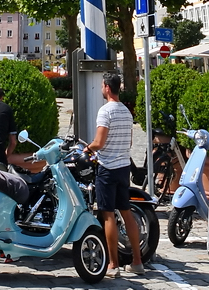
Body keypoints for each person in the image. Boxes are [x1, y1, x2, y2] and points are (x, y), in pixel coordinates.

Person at [84, 73, 144, 278]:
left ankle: (113, 264)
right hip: (123, 167)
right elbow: (129, 143)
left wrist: (88, 149)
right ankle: (137, 261)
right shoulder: (126, 111)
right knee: (126, 212)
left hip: (107, 168)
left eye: (102, 85)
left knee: (107, 214)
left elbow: (99, 143)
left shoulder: (105, 111)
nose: (101, 88)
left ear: (108, 88)